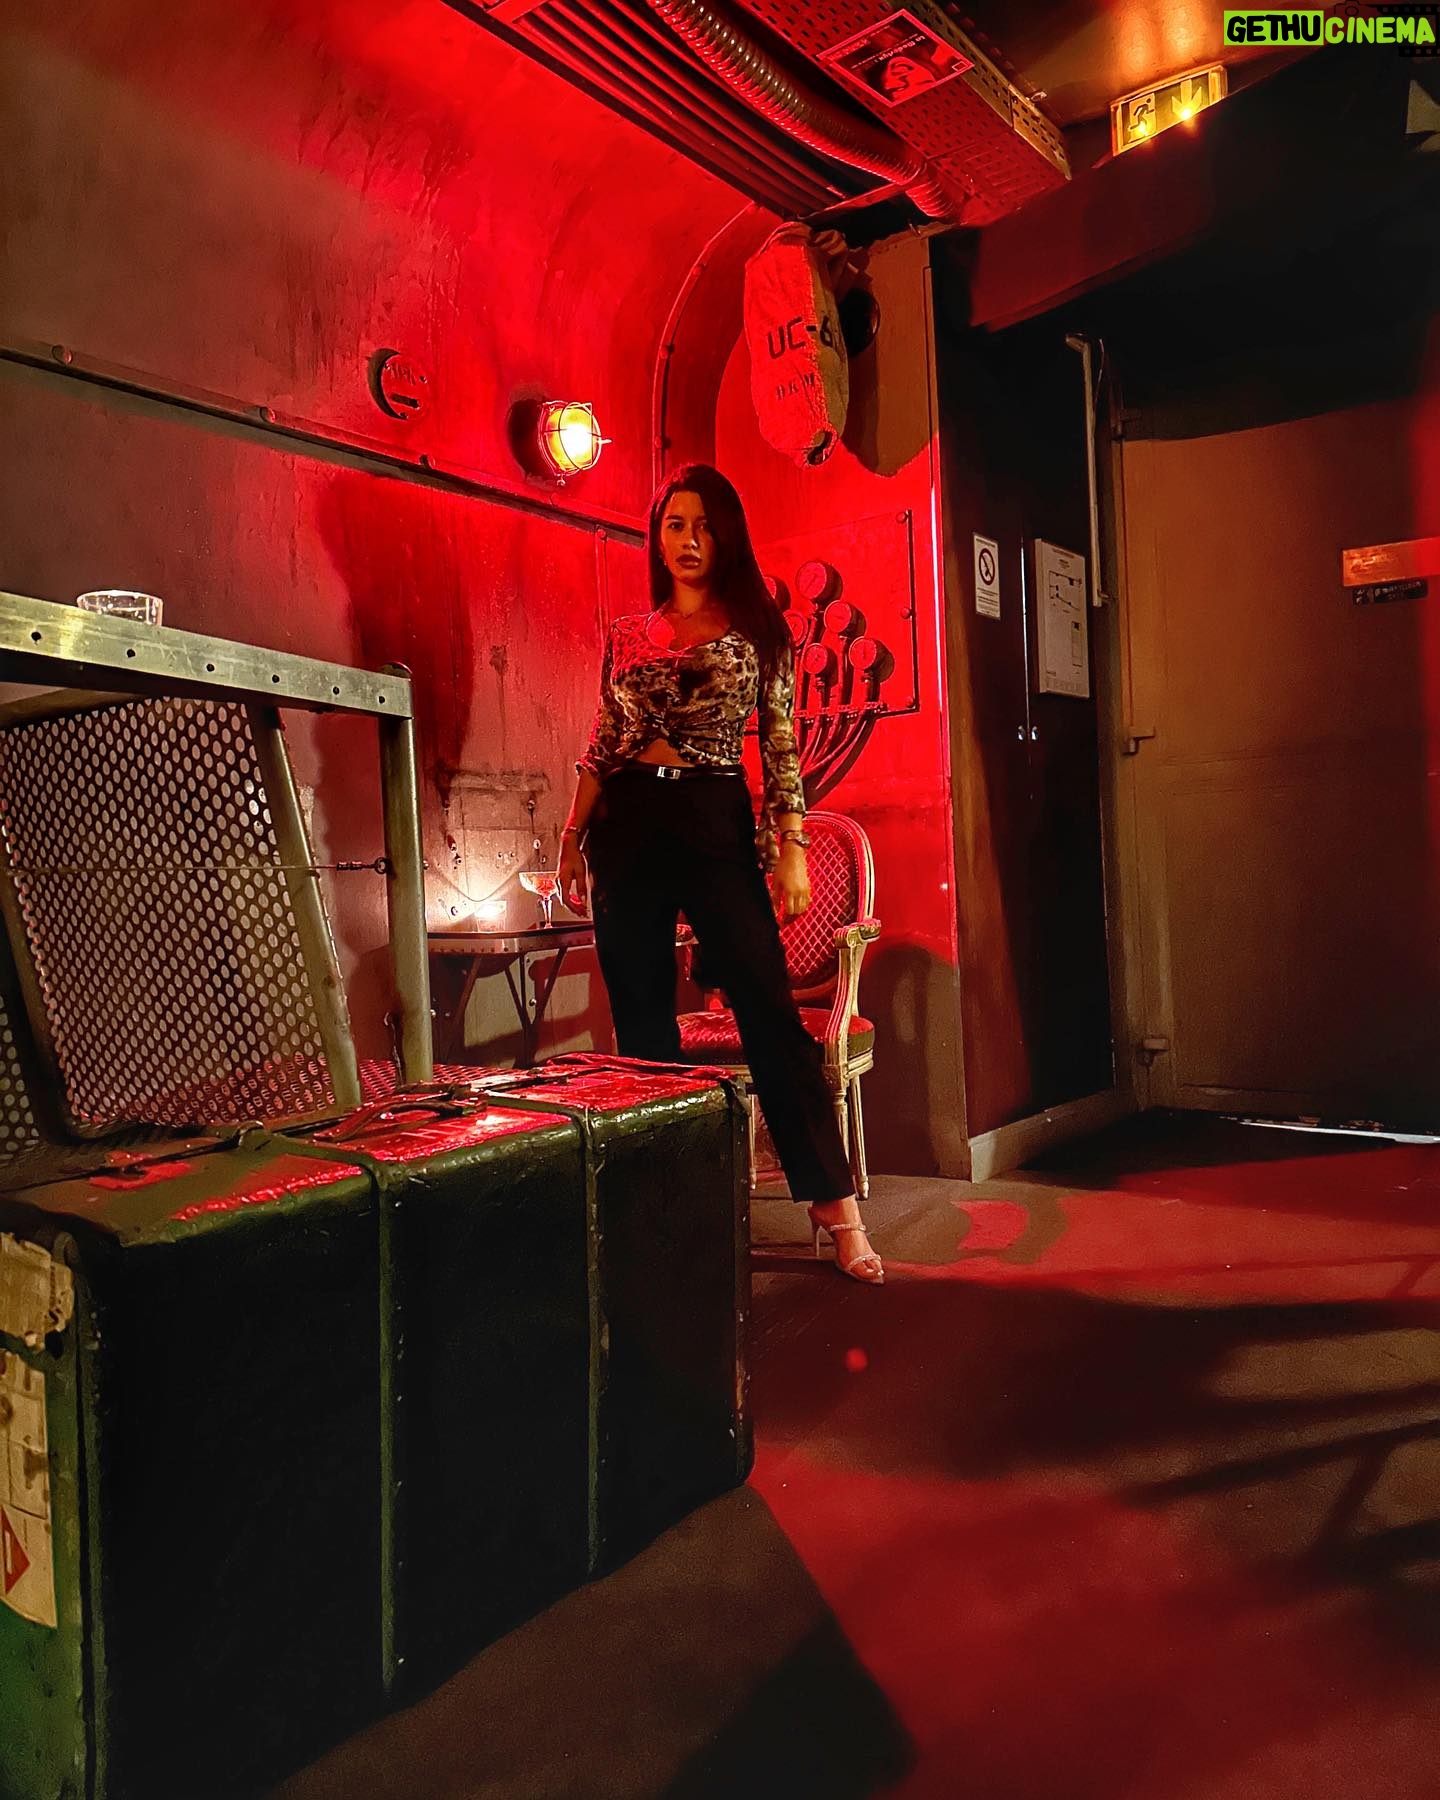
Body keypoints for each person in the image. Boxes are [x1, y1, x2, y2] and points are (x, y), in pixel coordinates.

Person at [557, 464, 883, 1285]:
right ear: (657, 537)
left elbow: (780, 743)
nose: (689, 540)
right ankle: (670, 1208)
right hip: (625, 824)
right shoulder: (629, 633)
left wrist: (792, 844)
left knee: (768, 1007)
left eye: (704, 525)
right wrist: (569, 836)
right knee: (642, 1025)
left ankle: (834, 1201)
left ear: (726, 536)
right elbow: (603, 740)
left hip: (712, 815)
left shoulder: (759, 631)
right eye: (675, 524)